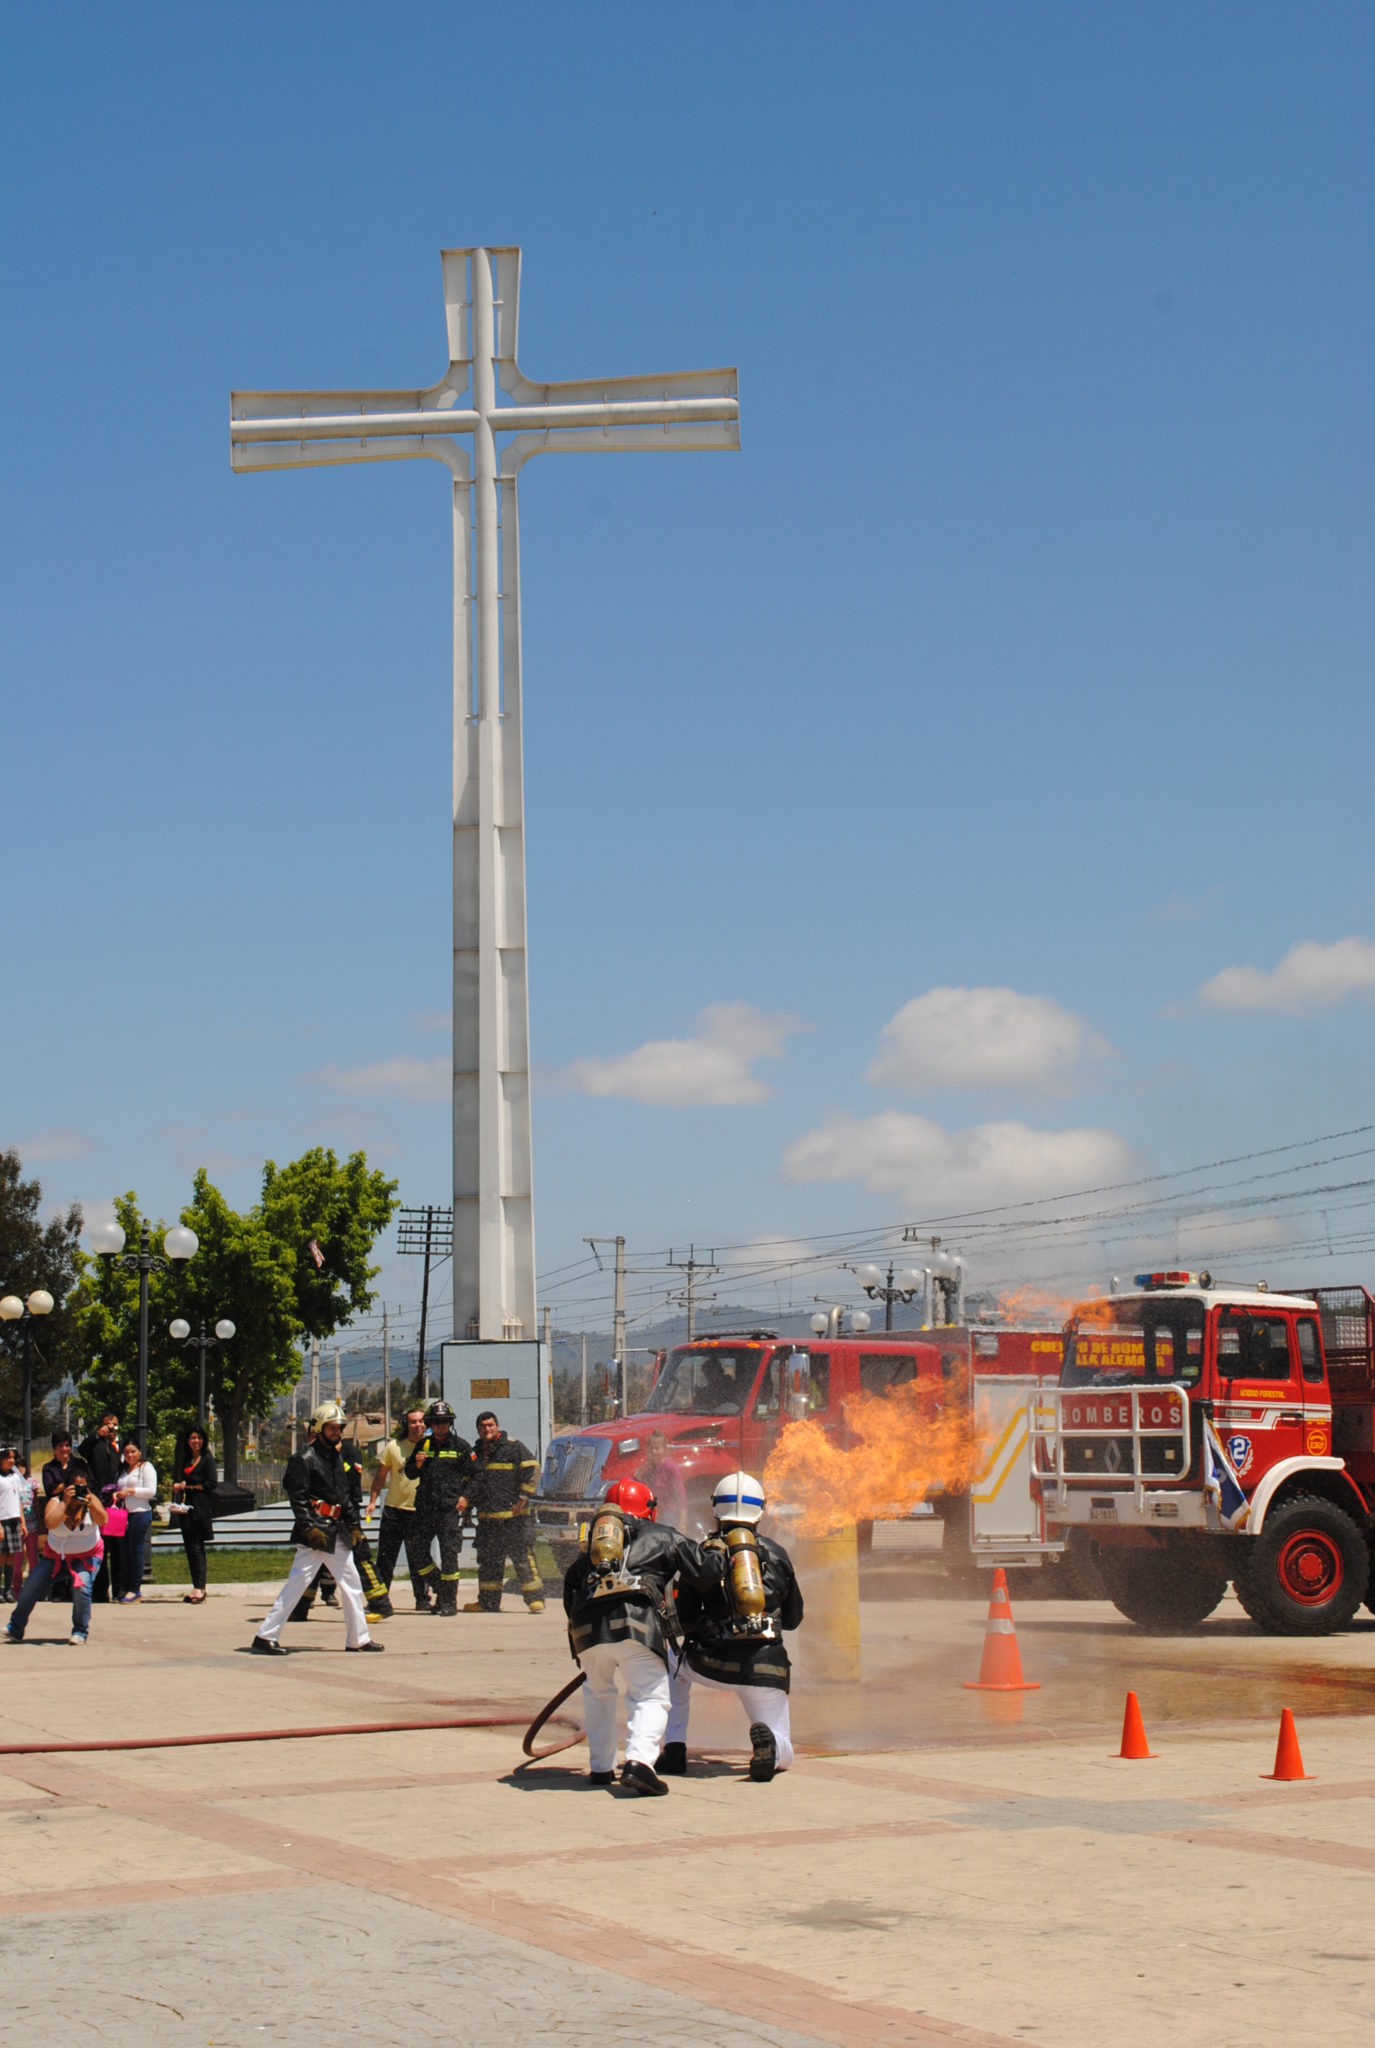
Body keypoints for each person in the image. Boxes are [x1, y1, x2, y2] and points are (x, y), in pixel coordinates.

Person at [562, 1477, 712, 1795]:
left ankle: (601, 1768)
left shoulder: (593, 1545)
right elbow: (704, 1572)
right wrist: (717, 1551)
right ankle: (640, 1764)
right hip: (637, 1627)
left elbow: (570, 1585)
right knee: (650, 1696)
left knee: (598, 1694)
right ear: (649, 1509)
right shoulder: (662, 1536)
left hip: (588, 1630)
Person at [661, 1470, 803, 1784]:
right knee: (784, 1747)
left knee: (670, 1661)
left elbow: (683, 1621)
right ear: (761, 1511)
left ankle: (673, 1747)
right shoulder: (778, 1555)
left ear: (716, 1510)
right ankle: (773, 1748)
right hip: (767, 1670)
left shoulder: (702, 1555)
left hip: (710, 1664)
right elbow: (793, 1620)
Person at [251, 1402, 381, 1656]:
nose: (337, 1432)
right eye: (332, 1428)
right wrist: (308, 1528)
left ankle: (358, 1639)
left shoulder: (335, 1456)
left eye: (339, 1428)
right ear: (320, 1428)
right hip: (316, 1534)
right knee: (298, 1584)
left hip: (336, 1531)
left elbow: (343, 1496)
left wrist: (354, 1526)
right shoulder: (303, 1459)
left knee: (350, 1583)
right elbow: (298, 1499)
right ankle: (265, 1636)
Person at [4, 1457, 109, 1645]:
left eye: (83, 1487)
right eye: (74, 1487)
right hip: (55, 1557)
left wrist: (90, 1502)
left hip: (87, 1556)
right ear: (66, 1487)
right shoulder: (56, 1502)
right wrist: (65, 1502)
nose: (79, 1491)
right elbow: (50, 1523)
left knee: (82, 1587)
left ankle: (80, 1631)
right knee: (31, 1586)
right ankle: (15, 1627)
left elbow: (103, 1520)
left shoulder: (91, 1500)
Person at [462, 1410, 544, 1614]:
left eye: (490, 1425)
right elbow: (471, 1482)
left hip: (514, 1519)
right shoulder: (476, 1453)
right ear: (478, 1430)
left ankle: (535, 1600)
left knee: (523, 1559)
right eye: (482, 1426)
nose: (486, 1429)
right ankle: (488, 1603)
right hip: (488, 1520)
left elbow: (533, 1469)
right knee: (489, 1562)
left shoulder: (513, 1447)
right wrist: (467, 1509)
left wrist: (523, 1499)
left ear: (497, 1426)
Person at [405, 1401, 472, 1617]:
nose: (441, 1427)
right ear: (431, 1424)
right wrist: (416, 1464)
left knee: (449, 1555)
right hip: (425, 1509)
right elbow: (409, 1474)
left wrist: (466, 1497)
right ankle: (441, 1589)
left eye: (445, 1422)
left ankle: (449, 1602)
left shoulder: (461, 1446)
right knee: (416, 1551)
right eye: (437, 1423)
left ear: (450, 1423)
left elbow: (477, 1475)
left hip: (449, 1510)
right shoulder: (423, 1446)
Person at [368, 1409, 434, 1613]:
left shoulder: (433, 1446)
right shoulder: (393, 1447)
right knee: (386, 1559)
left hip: (420, 1512)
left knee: (419, 1559)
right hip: (394, 1511)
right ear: (407, 1425)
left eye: (422, 1421)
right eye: (413, 1422)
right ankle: (379, 1600)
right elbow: (380, 1476)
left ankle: (422, 1599)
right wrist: (372, 1501)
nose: (418, 1425)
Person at [172, 1425, 217, 1605]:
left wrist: (189, 1486)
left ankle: (200, 1587)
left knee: (197, 1547)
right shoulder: (186, 1459)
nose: (195, 1441)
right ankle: (196, 1585)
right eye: (192, 1438)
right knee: (190, 1547)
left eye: (198, 1438)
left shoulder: (207, 1459)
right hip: (186, 1507)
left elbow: (212, 1483)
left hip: (200, 1507)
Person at [112, 1437, 157, 1602]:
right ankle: (125, 1586)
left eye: (133, 1451)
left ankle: (135, 1588)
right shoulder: (122, 1470)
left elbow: (151, 1491)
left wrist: (130, 1491)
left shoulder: (146, 1467)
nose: (130, 1455)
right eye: (126, 1452)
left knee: (136, 1550)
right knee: (123, 1552)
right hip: (123, 1514)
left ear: (139, 1452)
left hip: (140, 1512)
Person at [635, 1431, 687, 1530]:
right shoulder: (649, 1468)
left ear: (664, 1450)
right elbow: (638, 1485)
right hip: (653, 1512)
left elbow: (681, 1496)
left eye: (657, 1449)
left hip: (669, 1513)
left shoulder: (671, 1468)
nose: (654, 1451)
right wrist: (639, 1474)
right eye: (651, 1449)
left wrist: (682, 1523)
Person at [0, 1448, 23, 1603]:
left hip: (14, 1519)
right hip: (2, 1520)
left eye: (13, 1458)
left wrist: (23, 1522)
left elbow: (18, 1499)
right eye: (9, 1458)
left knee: (11, 1557)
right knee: (1, 1557)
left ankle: (8, 1590)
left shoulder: (15, 1476)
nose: (12, 1461)